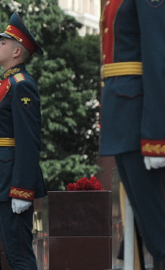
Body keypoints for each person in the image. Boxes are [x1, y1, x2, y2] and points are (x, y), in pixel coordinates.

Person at [100, 1, 165, 268]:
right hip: (123, 115)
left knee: (159, 230)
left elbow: (157, 56)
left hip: (140, 118)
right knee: (153, 233)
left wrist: (156, 137)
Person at [0, 13, 47, 270]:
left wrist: (22, 188)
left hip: (12, 183)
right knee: (10, 254)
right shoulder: (6, 84)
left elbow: (28, 141)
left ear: (17, 51)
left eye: (3, 42)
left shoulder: (22, 85)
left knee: (19, 256)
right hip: (1, 182)